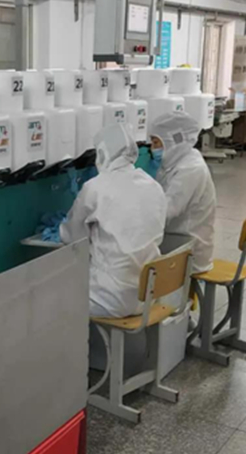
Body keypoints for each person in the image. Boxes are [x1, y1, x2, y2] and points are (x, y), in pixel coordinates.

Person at [59, 124, 167, 318]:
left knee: (53, 297)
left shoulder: (95, 188)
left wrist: (59, 229)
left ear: (102, 153)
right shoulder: (153, 185)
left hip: (108, 299)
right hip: (149, 294)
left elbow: (73, 238)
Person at [148, 111, 216, 274]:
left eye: (156, 143)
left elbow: (166, 212)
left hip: (189, 250)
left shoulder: (190, 169)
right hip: (176, 238)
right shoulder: (176, 161)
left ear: (174, 140)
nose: (152, 149)